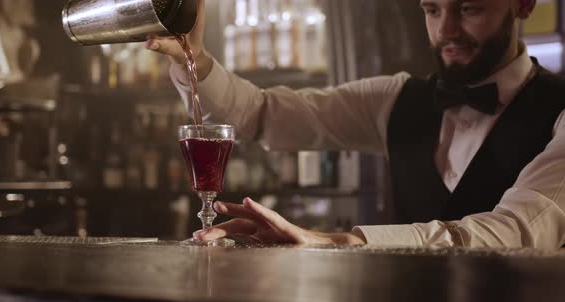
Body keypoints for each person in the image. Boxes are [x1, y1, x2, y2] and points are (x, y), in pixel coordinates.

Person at [147, 0, 565, 249]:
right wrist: (195, 59)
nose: (446, 30)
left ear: (524, 3)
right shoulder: (396, 98)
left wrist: (342, 241)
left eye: (469, 7)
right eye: (432, 9)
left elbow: (517, 230)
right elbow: (261, 115)